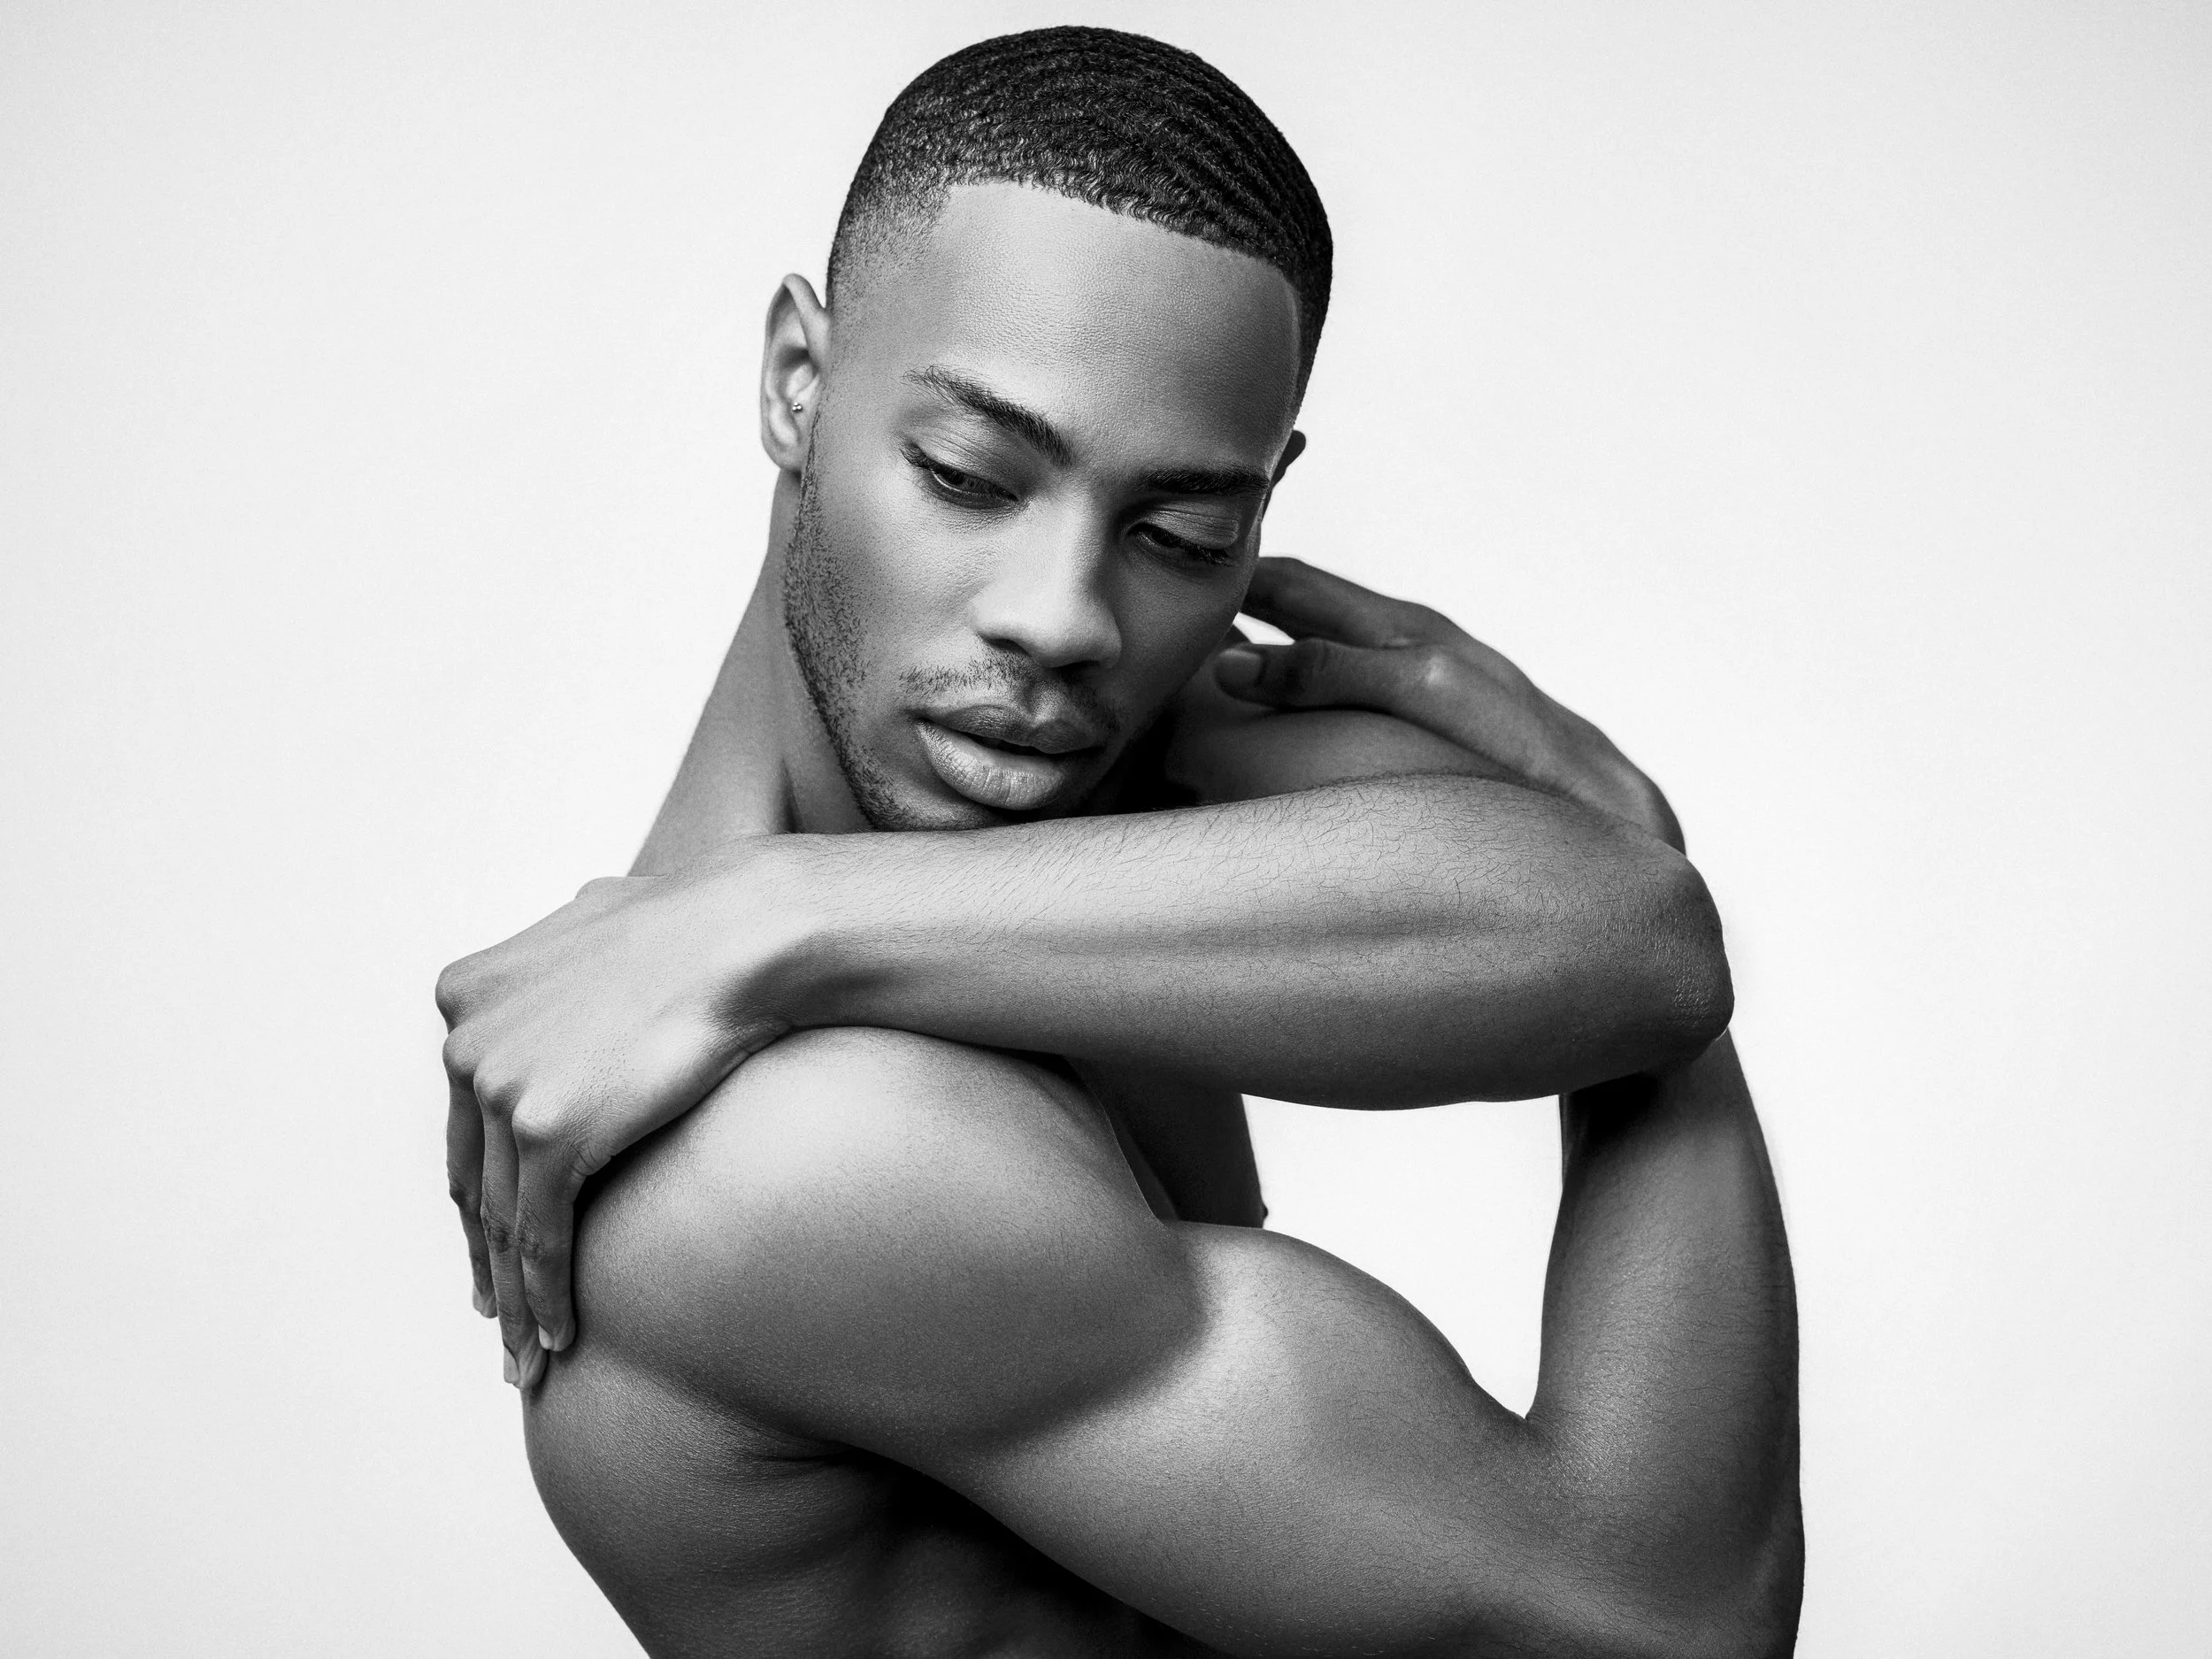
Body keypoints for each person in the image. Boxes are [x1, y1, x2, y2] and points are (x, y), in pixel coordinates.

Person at [435, 27, 1801, 1656]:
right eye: (968, 473)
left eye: (1182, 533)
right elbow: (1667, 1611)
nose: (1064, 617)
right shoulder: (790, 1154)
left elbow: (1630, 934)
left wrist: (788, 915)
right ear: (799, 383)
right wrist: (1626, 861)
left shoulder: (1097, 794)